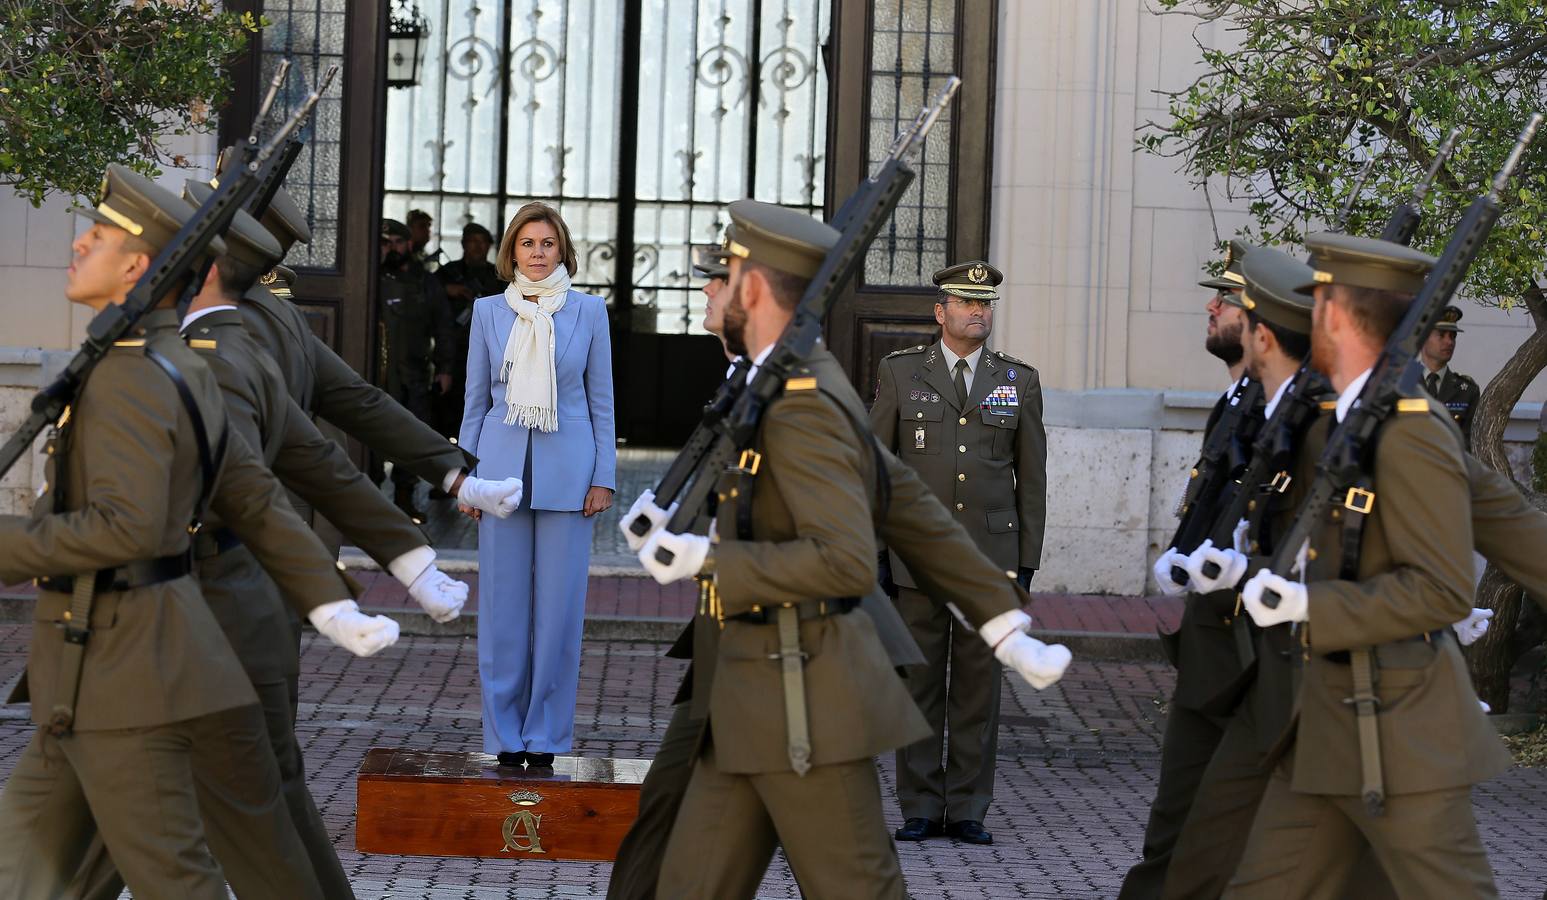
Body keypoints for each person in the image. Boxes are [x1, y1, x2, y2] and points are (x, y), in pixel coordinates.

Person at [606, 228, 1070, 900]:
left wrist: (708, 559)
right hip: (742, 683)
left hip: (799, 696)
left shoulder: (801, 399)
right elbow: (903, 495)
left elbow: (845, 560)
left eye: (719, 277)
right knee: (671, 877)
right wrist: (999, 620)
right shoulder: (773, 381)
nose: (705, 290)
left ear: (755, 289)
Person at [0, 165, 400, 900]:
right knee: (29, 872)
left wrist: (8, 546)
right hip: (101, 670)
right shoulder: (168, 363)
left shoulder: (134, 376)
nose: (80, 242)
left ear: (136, 267)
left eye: (100, 236)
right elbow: (251, 494)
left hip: (124, 672)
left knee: (170, 878)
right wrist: (329, 600)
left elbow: (132, 527)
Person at [1227, 232, 1511, 898]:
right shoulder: (1341, 421)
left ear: (1330, 314)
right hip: (1328, 728)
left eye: (1314, 301)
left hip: (1403, 735)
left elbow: (1441, 589)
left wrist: (1306, 605)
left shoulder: (1410, 431)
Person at [868, 259, 1047, 846]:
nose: (979, 312)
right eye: (968, 304)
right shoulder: (901, 374)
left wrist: (1026, 562)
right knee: (918, 682)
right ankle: (919, 802)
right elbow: (879, 469)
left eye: (986, 303)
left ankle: (969, 804)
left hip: (988, 560)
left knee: (977, 688)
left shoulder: (1017, 380)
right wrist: (877, 553)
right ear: (940, 312)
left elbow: (1032, 477)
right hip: (916, 557)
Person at [1120, 242, 1265, 899]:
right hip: (1212, 633)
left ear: (1259, 323)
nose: (1211, 307)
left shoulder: (1273, 407)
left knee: (1208, 811)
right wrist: (1185, 552)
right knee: (1181, 807)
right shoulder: (1237, 398)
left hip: (1247, 642)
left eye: (1226, 301)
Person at [460, 201, 616, 769]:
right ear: (512, 252)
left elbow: (602, 403)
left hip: (570, 479)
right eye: (527, 244)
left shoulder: (589, 312)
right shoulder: (486, 313)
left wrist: (604, 477)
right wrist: (468, 477)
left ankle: (546, 737)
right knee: (501, 614)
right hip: (498, 473)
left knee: (558, 617)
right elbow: (475, 402)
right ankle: (504, 737)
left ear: (563, 250)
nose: (537, 253)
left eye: (547, 244)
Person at [380, 217, 458, 520]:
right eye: (385, 243)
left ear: (409, 244)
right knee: (371, 438)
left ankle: (404, 498)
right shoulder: (369, 274)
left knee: (410, 438)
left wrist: (445, 368)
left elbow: (444, 326)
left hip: (413, 372)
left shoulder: (425, 282)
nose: (393, 248)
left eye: (397, 242)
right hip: (377, 373)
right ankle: (371, 498)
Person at [435, 222, 508, 440]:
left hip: (488, 350)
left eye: (483, 242)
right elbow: (426, 297)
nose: (478, 247)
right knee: (449, 407)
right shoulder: (448, 273)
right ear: (464, 244)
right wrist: (447, 290)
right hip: (452, 351)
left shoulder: (498, 276)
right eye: (473, 241)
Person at [1420, 304, 1479, 446]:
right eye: (1441, 335)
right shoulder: (1401, 384)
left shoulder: (1467, 390)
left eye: (1453, 336)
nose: (1449, 342)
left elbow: (1469, 443)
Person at [407, 207, 442, 271]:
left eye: (429, 226)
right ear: (410, 229)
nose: (428, 230)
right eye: (422, 226)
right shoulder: (404, 254)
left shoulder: (423, 254)